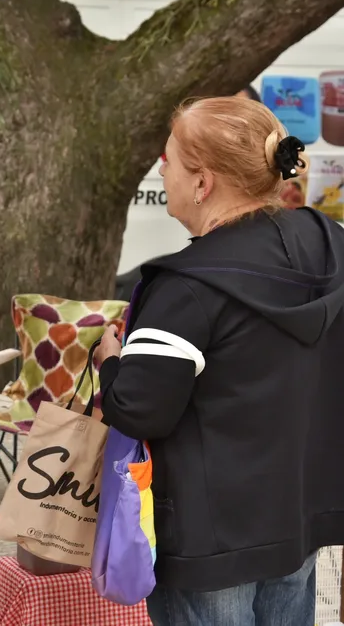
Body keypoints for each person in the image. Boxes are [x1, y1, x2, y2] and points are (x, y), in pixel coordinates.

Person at [94, 96, 344, 625]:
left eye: (168, 158)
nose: (161, 168)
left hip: (213, 543)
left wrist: (111, 360)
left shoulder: (185, 288)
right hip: (303, 515)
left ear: (202, 182)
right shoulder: (331, 245)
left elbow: (139, 410)